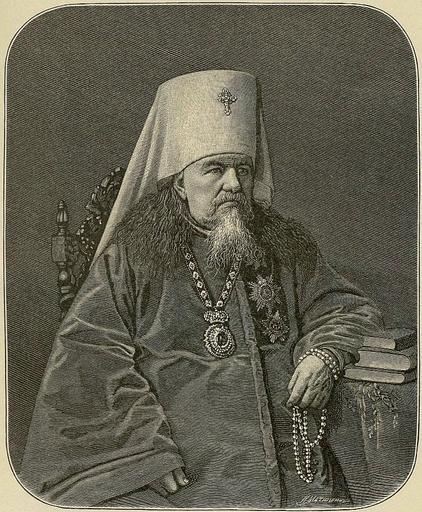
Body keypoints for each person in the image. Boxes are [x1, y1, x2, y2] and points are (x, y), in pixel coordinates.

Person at [20, 70, 384, 508]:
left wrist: (325, 354)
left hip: (291, 467)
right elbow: (88, 355)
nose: (234, 184)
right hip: (178, 472)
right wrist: (145, 450)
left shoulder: (283, 246)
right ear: (179, 181)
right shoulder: (131, 257)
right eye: (215, 169)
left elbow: (345, 308)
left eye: (243, 169)